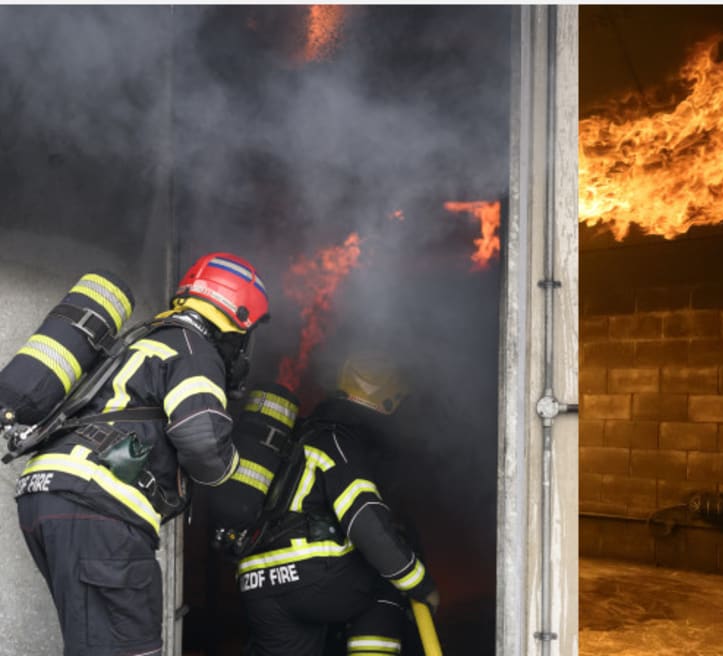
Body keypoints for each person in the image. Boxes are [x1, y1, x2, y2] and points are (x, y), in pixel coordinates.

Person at [15, 252, 269, 656]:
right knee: (129, 648)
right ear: (237, 317)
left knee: (95, 645)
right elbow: (204, 446)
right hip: (98, 505)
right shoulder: (195, 350)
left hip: (49, 493)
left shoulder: (147, 340)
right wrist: (234, 466)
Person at [233, 355, 439, 656]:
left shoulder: (297, 438)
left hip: (257, 582)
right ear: (385, 404)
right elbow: (366, 523)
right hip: (311, 576)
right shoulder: (339, 440)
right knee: (390, 577)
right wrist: (420, 584)